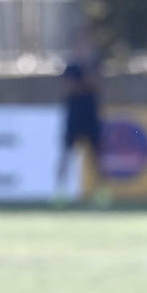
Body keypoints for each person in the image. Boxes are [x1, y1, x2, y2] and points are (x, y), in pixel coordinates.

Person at [56, 30, 103, 200]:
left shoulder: (93, 64)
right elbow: (68, 88)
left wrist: (83, 79)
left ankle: (100, 194)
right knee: (66, 154)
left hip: (90, 115)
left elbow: (94, 84)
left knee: (95, 156)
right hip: (74, 116)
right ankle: (59, 193)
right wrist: (82, 85)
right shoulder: (70, 67)